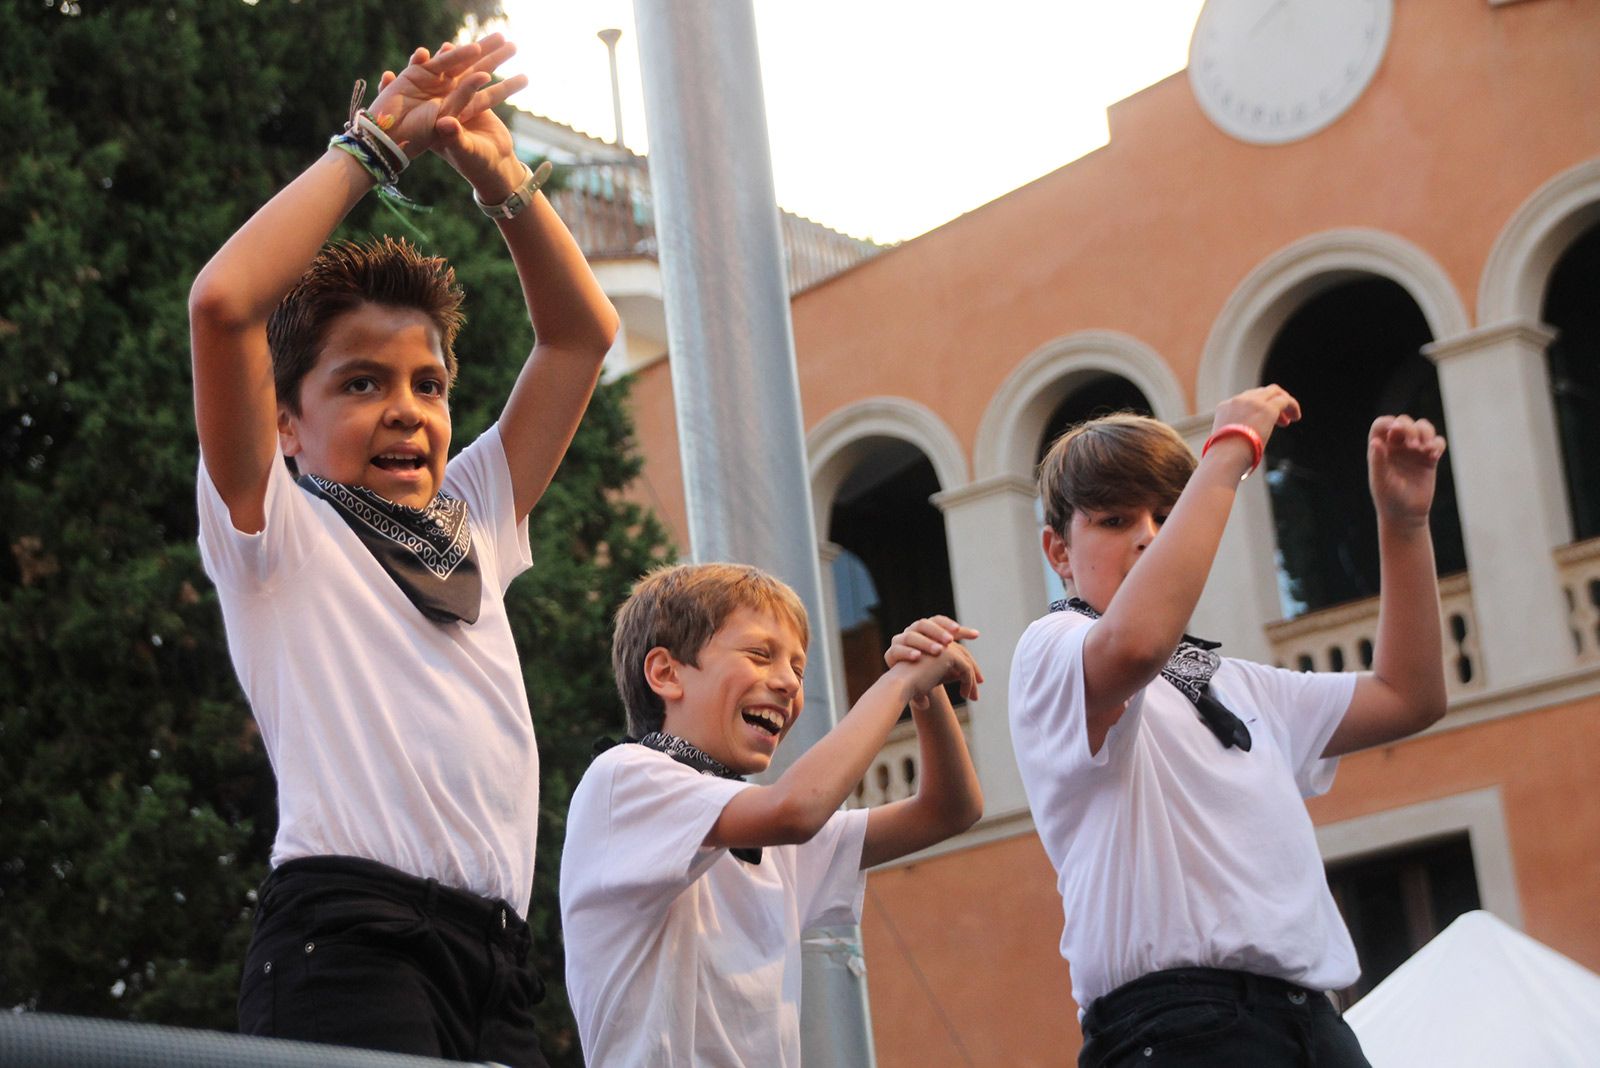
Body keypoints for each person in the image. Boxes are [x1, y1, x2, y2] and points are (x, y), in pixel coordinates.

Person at [188, 33, 617, 1065]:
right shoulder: (276, 527)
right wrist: (372, 146)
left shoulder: (473, 517)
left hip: (497, 965)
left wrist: (501, 177)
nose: (406, 411)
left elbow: (580, 338)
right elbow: (222, 302)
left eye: (427, 385)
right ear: (287, 423)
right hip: (349, 944)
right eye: (360, 383)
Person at [1009, 387, 1449, 1067]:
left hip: (1314, 1021)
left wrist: (1403, 524)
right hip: (1179, 1026)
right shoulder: (1052, 648)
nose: (1150, 535)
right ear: (1057, 551)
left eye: (1167, 514)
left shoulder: (1239, 683)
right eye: (1115, 519)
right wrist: (1230, 450)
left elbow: (1409, 695)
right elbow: (1134, 646)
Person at [560, 562, 984, 1066]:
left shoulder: (757, 829)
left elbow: (949, 810)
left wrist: (924, 688)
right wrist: (894, 684)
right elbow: (797, 809)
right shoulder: (626, 777)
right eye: (760, 655)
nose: (787, 682)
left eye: (798, 669)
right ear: (666, 673)